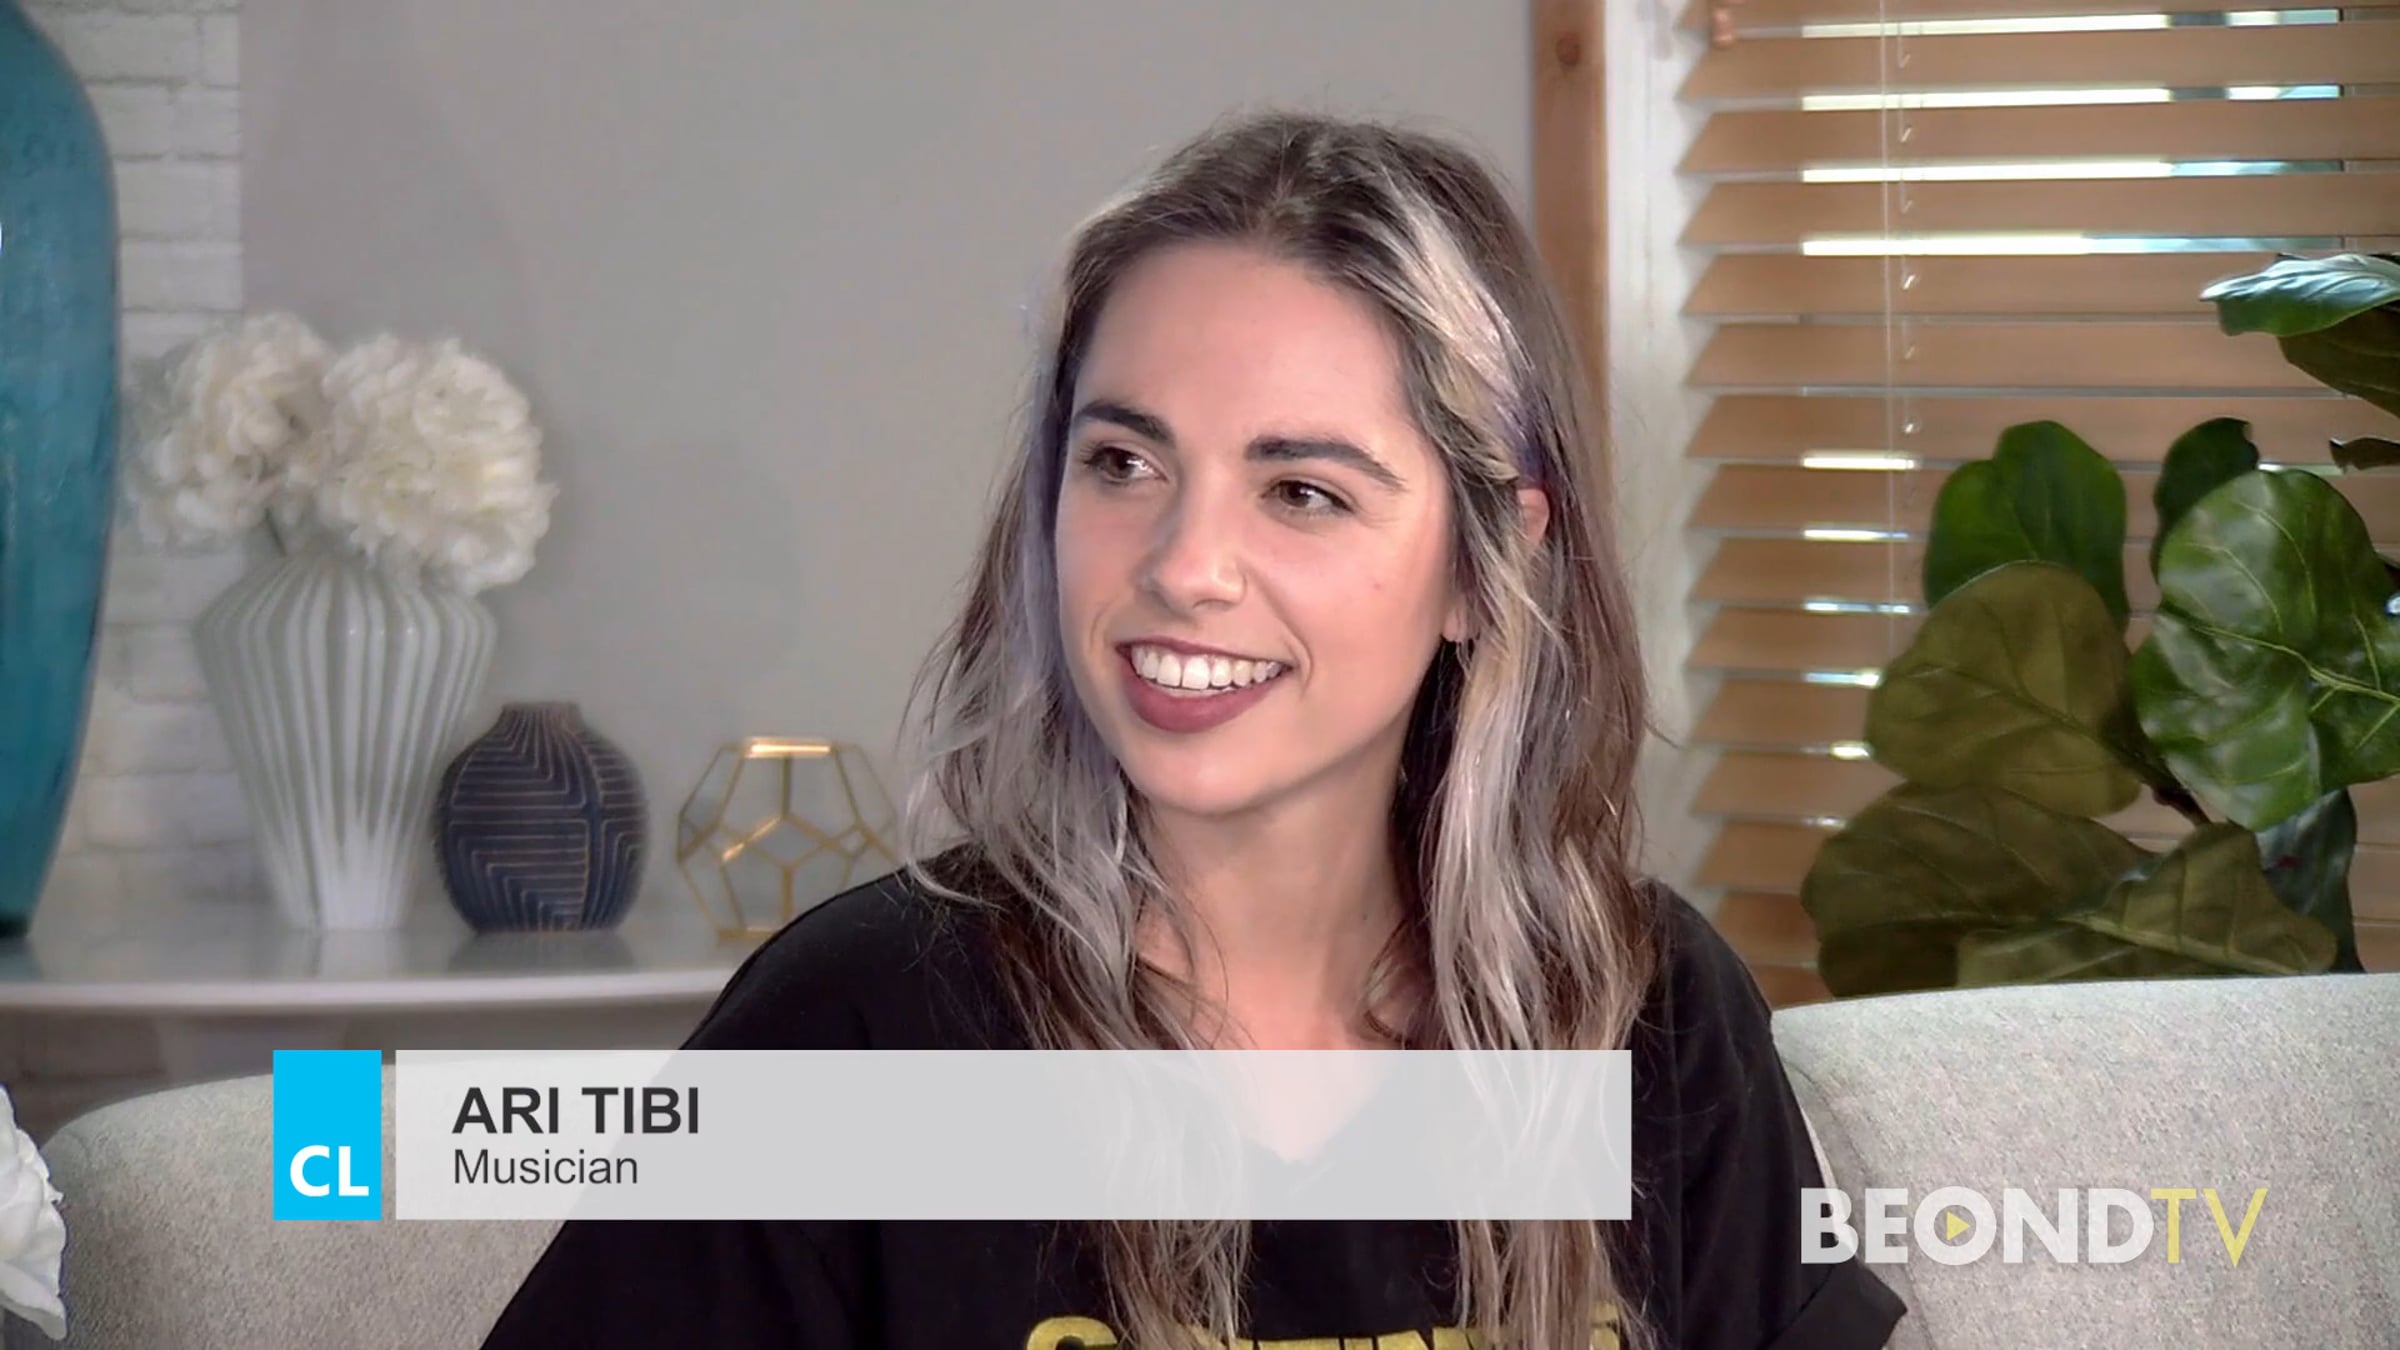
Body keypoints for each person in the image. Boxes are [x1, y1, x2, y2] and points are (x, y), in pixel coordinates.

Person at [479, 109, 1907, 1350]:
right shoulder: (855, 1036)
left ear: (1487, 568)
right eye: (1123, 462)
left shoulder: (1643, 1019)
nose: (1182, 564)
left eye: (1303, 492)